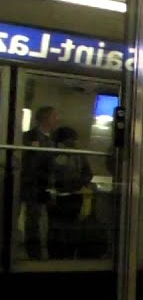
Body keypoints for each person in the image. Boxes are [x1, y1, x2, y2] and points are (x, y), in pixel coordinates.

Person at [45, 126, 91, 259]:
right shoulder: (54, 154)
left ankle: (64, 254)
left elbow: (87, 173)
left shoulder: (76, 155)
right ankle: (58, 254)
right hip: (62, 195)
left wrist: (78, 184)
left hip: (71, 195)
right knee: (58, 227)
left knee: (66, 227)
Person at [19, 105, 58, 259]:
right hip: (33, 184)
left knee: (43, 220)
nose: (57, 120)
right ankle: (33, 252)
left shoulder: (53, 139)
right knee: (33, 220)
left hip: (45, 184)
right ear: (45, 119)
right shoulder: (29, 137)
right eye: (54, 116)